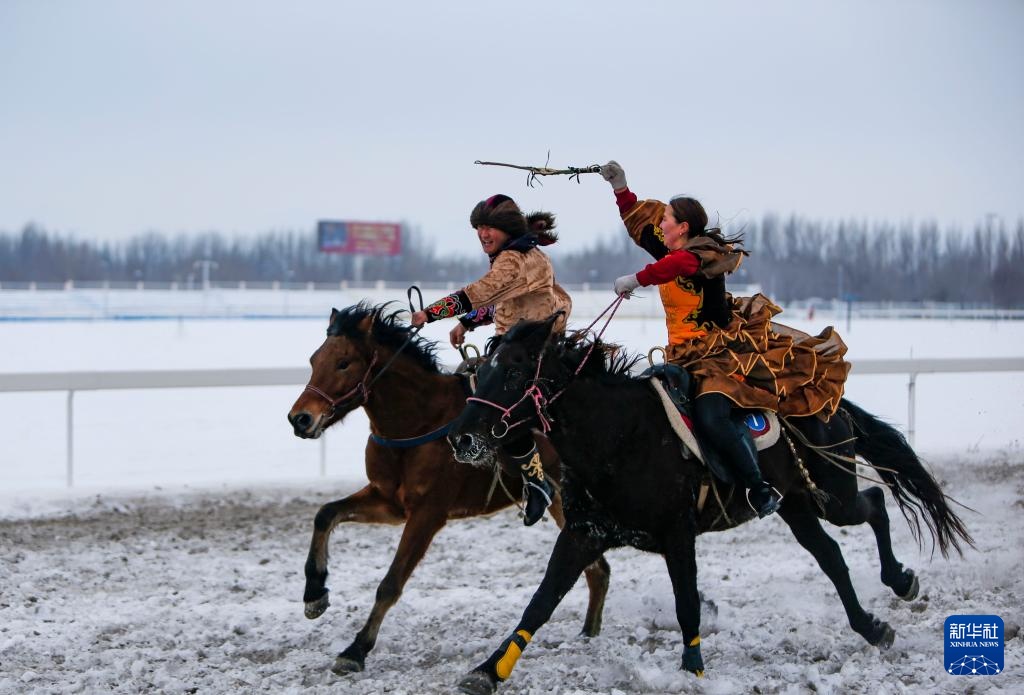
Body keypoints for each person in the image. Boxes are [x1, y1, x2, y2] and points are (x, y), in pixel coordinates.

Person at [598, 161, 850, 518]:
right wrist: (621, 188)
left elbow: (677, 267)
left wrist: (637, 279)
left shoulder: (701, 255)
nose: (661, 223)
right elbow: (640, 227)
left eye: (667, 218)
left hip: (718, 354)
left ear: (682, 227)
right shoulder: (669, 251)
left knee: (712, 413)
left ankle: (757, 488)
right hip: (680, 355)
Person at [411, 194, 571, 525]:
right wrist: (468, 322)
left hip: (529, 351)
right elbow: (500, 301)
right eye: (479, 228)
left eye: (490, 228)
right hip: (515, 346)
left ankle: (536, 480)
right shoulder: (514, 255)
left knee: (495, 403)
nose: (483, 234)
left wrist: (431, 312)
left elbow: (479, 293)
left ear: (508, 230)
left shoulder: (514, 258)